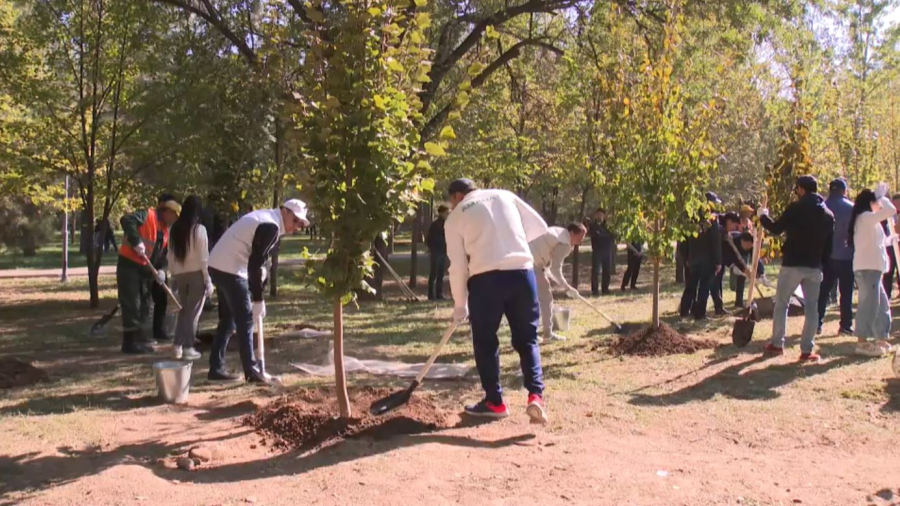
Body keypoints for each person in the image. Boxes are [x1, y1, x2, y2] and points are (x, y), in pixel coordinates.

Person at [445, 178, 549, 424]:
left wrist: (460, 305)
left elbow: (458, 267)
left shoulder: (455, 217)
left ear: (457, 197)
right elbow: (540, 226)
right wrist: (510, 241)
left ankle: (495, 401)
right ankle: (536, 394)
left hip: (485, 280)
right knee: (527, 340)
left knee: (485, 341)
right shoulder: (504, 194)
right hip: (522, 274)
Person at [206, 199, 309, 383]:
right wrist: (258, 299)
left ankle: (216, 368)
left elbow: (257, 259)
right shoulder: (271, 225)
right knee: (245, 318)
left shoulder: (267, 219)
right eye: (295, 220)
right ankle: (252, 372)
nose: (296, 227)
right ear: (284, 211)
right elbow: (255, 262)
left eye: (300, 224)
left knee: (229, 320)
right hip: (230, 267)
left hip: (217, 264)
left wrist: (260, 272)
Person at [759, 175, 834, 361]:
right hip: (814, 265)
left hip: (793, 263)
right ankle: (807, 350)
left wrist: (763, 216)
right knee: (812, 308)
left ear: (801, 189)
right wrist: (821, 263)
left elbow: (776, 229)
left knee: (782, 304)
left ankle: (777, 343)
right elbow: (829, 245)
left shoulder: (796, 208)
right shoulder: (828, 215)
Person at [116, 196, 181, 354]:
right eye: (174, 216)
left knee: (144, 304)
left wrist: (161, 271)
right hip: (129, 266)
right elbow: (126, 220)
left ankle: (139, 338)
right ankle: (129, 343)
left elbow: (161, 255)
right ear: (166, 211)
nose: (174, 220)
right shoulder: (148, 215)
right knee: (132, 303)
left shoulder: (164, 231)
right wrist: (136, 241)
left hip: (145, 271)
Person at [849, 184, 897, 357]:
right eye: (876, 201)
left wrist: (890, 240)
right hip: (867, 268)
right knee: (868, 305)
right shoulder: (865, 217)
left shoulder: (868, 220)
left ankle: (881, 338)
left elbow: (876, 242)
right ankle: (861, 341)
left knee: (882, 305)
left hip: (873, 268)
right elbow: (890, 210)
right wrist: (882, 197)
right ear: (871, 202)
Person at [166, 196, 212, 361]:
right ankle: (188, 347)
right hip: (196, 274)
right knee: (193, 313)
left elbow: (170, 255)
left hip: (180, 274)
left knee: (184, 312)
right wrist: (207, 279)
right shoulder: (199, 230)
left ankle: (177, 346)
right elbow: (203, 258)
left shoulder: (174, 229)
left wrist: (172, 274)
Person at [529, 223, 586, 342]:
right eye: (580, 238)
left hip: (527, 260)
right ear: (572, 233)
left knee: (531, 299)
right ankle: (547, 335)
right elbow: (556, 269)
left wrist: (567, 287)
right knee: (546, 299)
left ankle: (530, 334)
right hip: (532, 264)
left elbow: (549, 269)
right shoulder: (565, 243)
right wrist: (567, 287)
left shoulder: (558, 232)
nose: (580, 242)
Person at [815, 178, 855, 336]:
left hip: (826, 256)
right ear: (844, 191)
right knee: (846, 293)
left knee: (822, 292)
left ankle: (817, 323)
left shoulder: (822, 207)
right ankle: (845, 325)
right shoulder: (852, 208)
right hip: (846, 255)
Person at [679, 194, 722, 320]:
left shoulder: (692, 217)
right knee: (704, 287)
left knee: (691, 286)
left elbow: (684, 239)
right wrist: (718, 260)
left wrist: (686, 256)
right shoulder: (711, 219)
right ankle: (700, 313)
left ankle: (684, 310)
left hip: (693, 258)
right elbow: (715, 240)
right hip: (707, 260)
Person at [710, 210, 740, 315]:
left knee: (719, 283)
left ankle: (719, 307)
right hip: (711, 259)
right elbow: (715, 234)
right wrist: (725, 233)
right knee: (714, 284)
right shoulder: (717, 221)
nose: (733, 229)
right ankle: (717, 306)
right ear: (729, 221)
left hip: (720, 259)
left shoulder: (725, 229)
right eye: (734, 226)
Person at [426, 205, 450, 300]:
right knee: (434, 274)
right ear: (441, 213)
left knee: (440, 274)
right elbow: (430, 239)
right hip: (436, 251)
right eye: (445, 213)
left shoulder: (447, 224)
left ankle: (439, 294)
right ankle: (431, 295)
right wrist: (433, 248)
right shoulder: (435, 224)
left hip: (443, 251)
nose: (447, 214)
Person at [589, 208, 615, 296]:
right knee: (596, 271)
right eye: (598, 214)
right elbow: (596, 236)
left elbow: (612, 236)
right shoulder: (592, 225)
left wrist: (603, 235)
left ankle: (605, 289)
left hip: (607, 250)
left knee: (607, 270)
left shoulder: (608, 226)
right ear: (595, 215)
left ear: (604, 216)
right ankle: (595, 290)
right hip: (597, 251)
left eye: (602, 214)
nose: (600, 216)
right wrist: (605, 235)